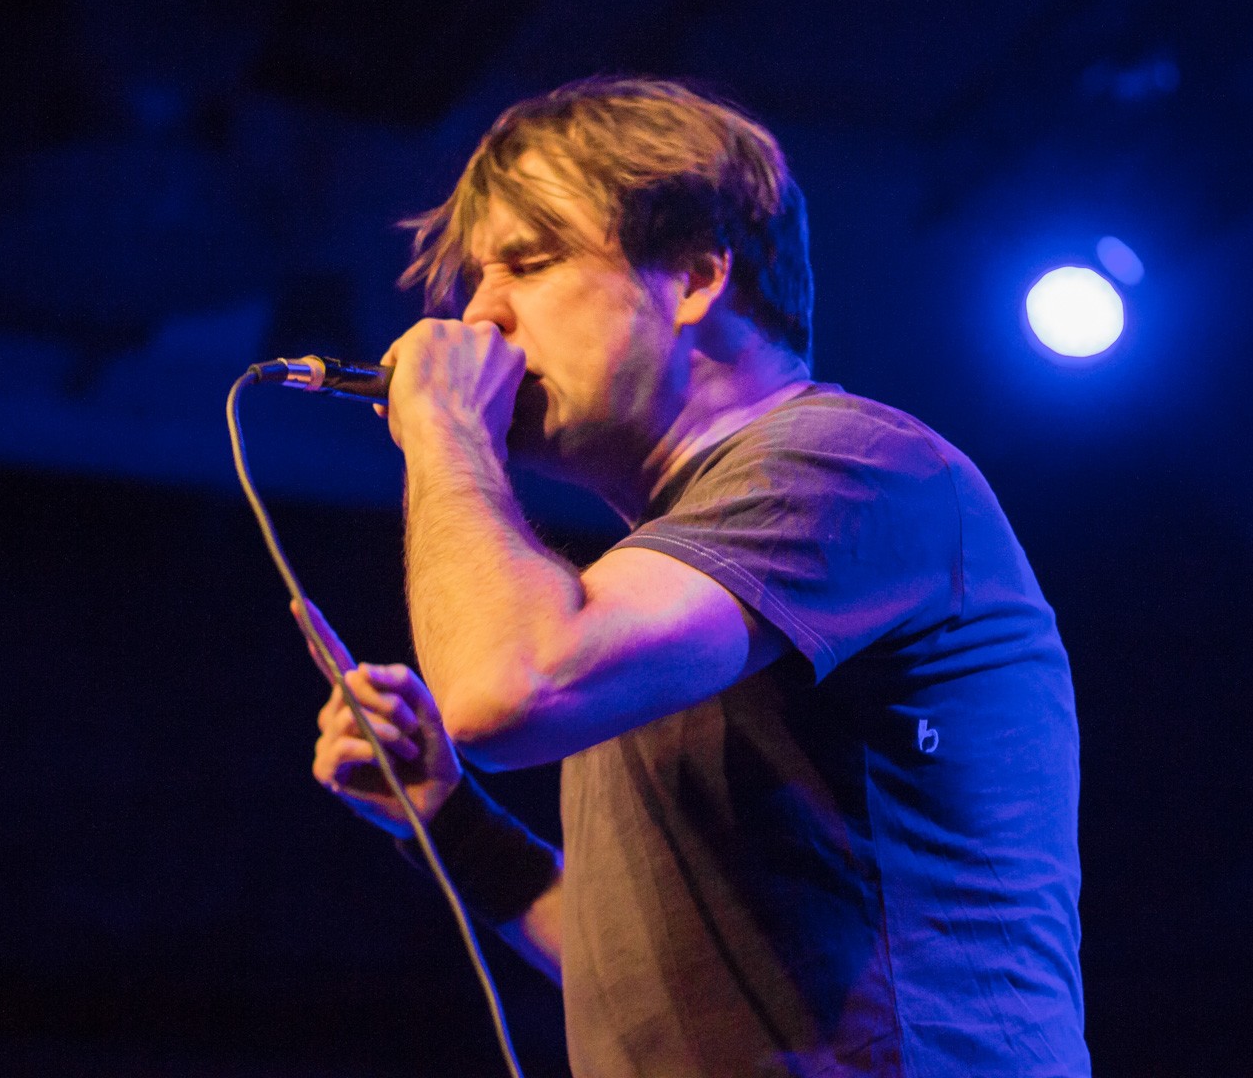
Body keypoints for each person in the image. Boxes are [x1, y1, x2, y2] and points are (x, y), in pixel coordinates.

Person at [311, 77, 1090, 1076]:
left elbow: (509, 687)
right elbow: (660, 985)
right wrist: (450, 820)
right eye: (478, 277)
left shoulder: (846, 464)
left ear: (692, 276)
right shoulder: (652, 601)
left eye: (531, 262)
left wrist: (448, 430)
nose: (482, 313)